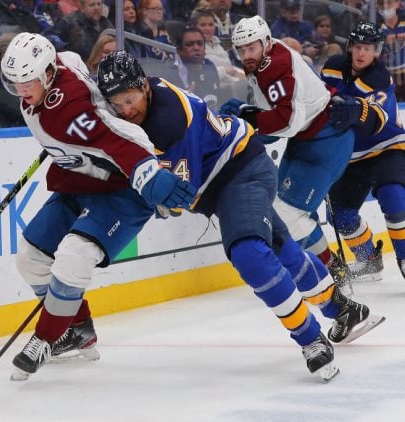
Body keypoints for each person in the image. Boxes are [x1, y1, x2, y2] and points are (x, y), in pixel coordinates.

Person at [97, 50, 383, 381]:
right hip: (227, 175)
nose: (125, 109)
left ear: (144, 87)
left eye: (129, 99)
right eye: (117, 103)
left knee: (249, 253)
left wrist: (149, 192)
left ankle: (309, 338)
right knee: (280, 247)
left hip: (240, 170)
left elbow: (178, 196)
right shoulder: (133, 108)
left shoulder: (168, 120)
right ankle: (344, 310)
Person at [0, 32, 195, 380]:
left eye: (27, 82)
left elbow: (117, 136)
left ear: (46, 74)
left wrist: (147, 170)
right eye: (13, 83)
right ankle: (77, 330)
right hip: (78, 185)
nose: (21, 92)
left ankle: (46, 337)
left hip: (119, 191)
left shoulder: (69, 108)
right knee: (30, 259)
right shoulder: (58, 69)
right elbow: (72, 56)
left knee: (76, 255)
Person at [219, 16, 375, 290]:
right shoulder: (266, 56)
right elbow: (280, 116)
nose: (246, 55)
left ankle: (332, 270)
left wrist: (250, 120)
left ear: (266, 43)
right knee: (283, 206)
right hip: (310, 138)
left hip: (326, 141)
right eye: (241, 50)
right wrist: (252, 118)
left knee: (288, 211)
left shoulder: (275, 66)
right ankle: (330, 264)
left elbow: (288, 122)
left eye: (251, 48)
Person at [321, 21, 405, 281]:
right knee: (340, 214)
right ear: (350, 47)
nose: (361, 53)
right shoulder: (332, 67)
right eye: (358, 47)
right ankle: (369, 260)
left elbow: (377, 117)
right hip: (350, 155)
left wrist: (356, 110)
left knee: (393, 196)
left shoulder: (379, 77)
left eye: (368, 48)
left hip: (386, 146)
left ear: (377, 52)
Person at [46, 0, 114, 61]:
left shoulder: (108, 25)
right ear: (82, 8)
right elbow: (47, 39)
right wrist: (66, 49)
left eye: (99, 4)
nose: (96, 8)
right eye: (92, 5)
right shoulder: (68, 23)